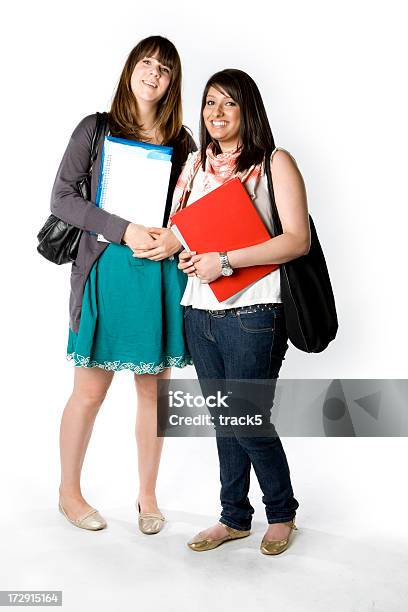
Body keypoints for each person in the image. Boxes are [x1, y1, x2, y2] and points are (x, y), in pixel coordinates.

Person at [148, 68, 310, 554]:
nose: (215, 114)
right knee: (225, 420)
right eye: (209, 103)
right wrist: (184, 253)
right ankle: (235, 516)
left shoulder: (274, 162)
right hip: (199, 312)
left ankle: (281, 512)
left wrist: (226, 261)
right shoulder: (195, 166)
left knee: (247, 419)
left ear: (248, 110)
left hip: (254, 312)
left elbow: (296, 241)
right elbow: (183, 233)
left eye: (228, 104)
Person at [50, 36, 196, 533]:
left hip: (159, 275)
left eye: (164, 68)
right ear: (131, 68)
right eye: (146, 63)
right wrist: (123, 229)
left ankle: (148, 498)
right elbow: (63, 199)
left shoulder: (182, 143)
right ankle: (69, 493)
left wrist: (177, 238)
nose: (153, 74)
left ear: (172, 81)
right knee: (89, 392)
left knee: (156, 395)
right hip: (106, 270)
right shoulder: (96, 129)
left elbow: (193, 215)